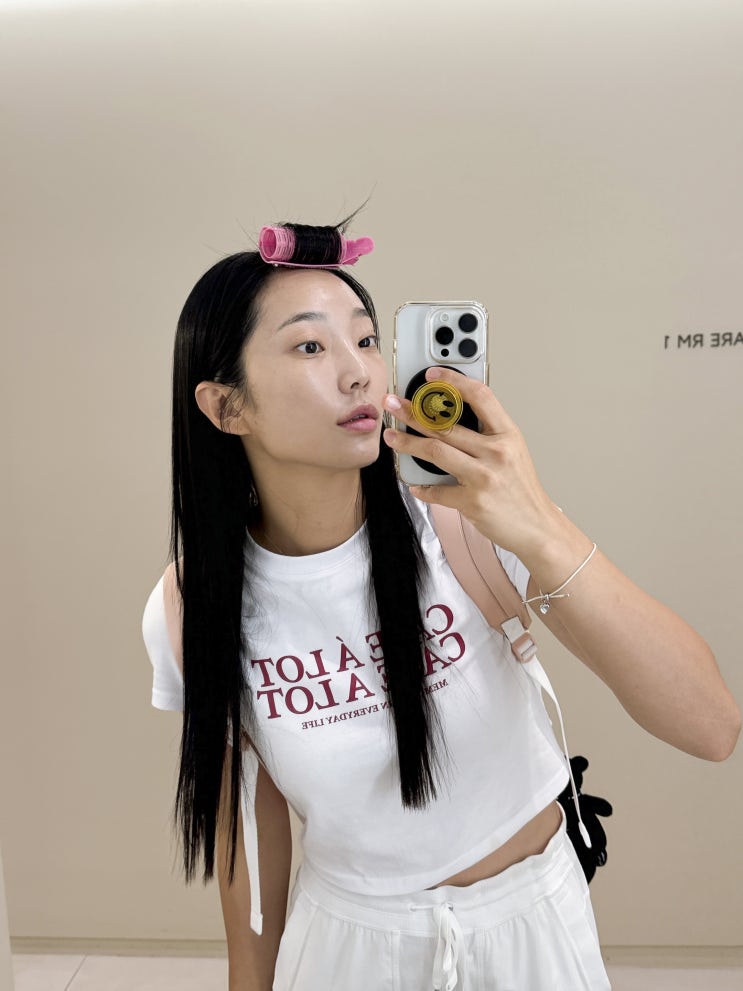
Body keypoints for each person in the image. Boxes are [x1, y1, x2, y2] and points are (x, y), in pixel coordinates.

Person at [142, 219, 740, 991]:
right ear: (227, 407)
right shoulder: (193, 601)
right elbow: (249, 832)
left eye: (366, 339)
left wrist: (538, 524)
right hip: (346, 947)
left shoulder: (465, 522)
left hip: (530, 932)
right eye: (310, 346)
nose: (358, 373)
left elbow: (710, 725)